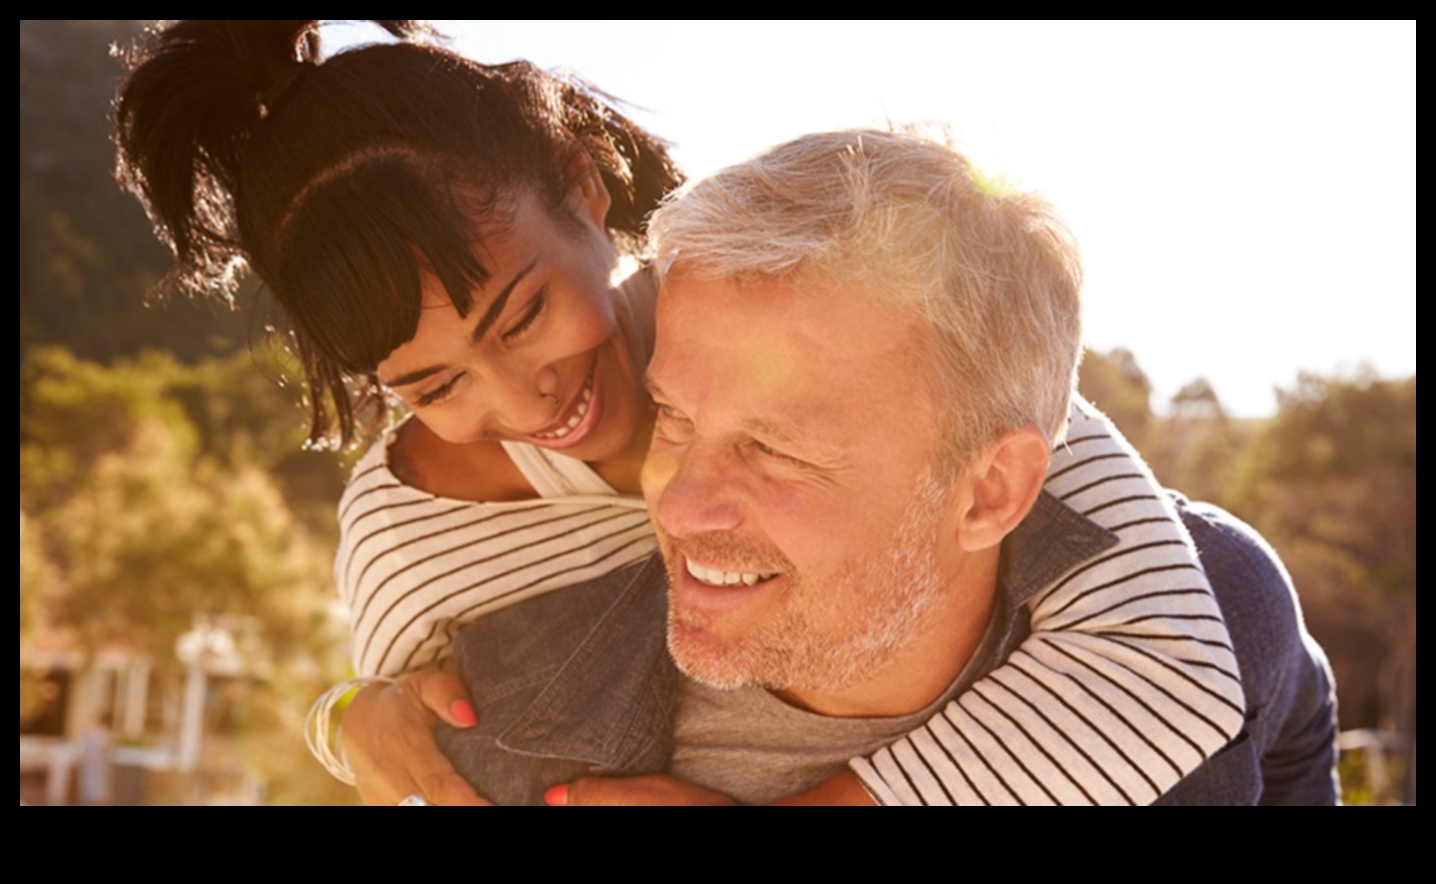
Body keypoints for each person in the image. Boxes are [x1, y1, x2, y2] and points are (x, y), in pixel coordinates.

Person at [115, 21, 1245, 806]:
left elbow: (1176, 658)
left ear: (581, 188)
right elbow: (432, 743)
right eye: (433, 383)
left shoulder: (787, 300)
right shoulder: (417, 536)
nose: (523, 403)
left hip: (1212, 689)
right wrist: (345, 714)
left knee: (1225, 564)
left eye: (520, 315)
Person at [437, 128, 1341, 806]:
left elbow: (1297, 736)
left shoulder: (1212, 605)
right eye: (675, 418)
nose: (681, 507)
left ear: (990, 490)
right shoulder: (504, 744)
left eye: (774, 447)